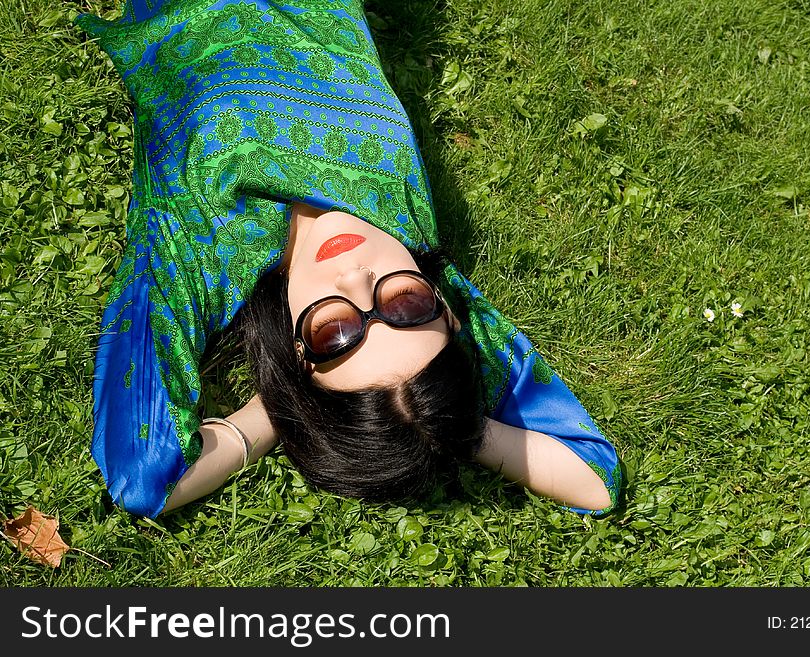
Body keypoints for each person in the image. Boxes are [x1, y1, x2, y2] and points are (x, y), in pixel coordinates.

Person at [74, 0, 621, 520]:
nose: (359, 278)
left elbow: (146, 480)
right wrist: (442, 419)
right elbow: (596, 478)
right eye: (404, 303)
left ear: (296, 351)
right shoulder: (406, 236)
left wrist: (287, 406)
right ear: (449, 313)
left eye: (336, 331)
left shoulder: (195, 252)